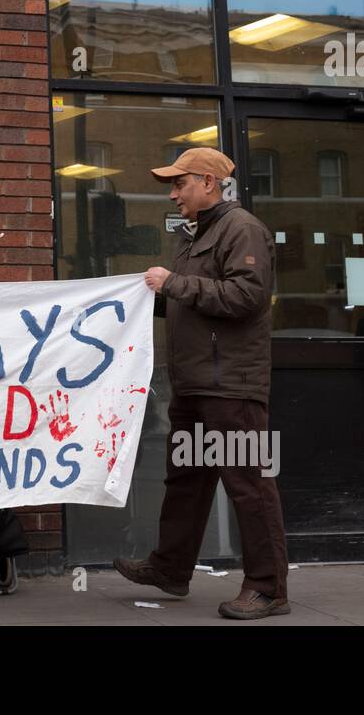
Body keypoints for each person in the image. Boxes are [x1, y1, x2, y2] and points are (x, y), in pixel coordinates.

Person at [114, 146, 290, 619]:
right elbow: (195, 301)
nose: (173, 194)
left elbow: (246, 297)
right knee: (186, 482)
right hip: (195, 385)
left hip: (231, 387)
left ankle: (269, 588)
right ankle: (170, 570)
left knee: (249, 486)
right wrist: (135, 299)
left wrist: (173, 284)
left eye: (180, 184)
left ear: (208, 183)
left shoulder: (243, 229)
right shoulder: (196, 237)